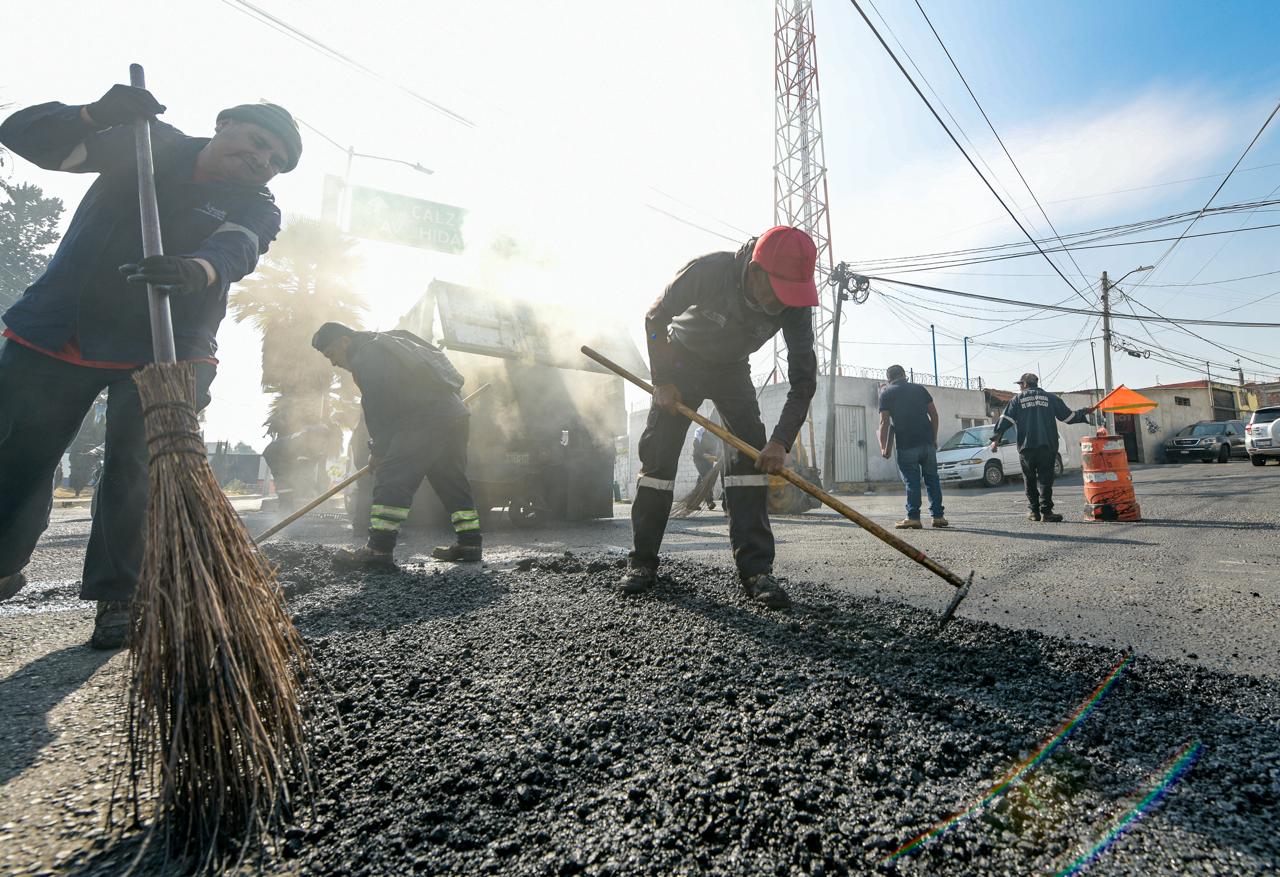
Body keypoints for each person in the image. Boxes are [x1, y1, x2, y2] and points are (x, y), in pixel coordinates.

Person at [0, 84, 299, 648]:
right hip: (61, 329)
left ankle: (120, 595)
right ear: (222, 122)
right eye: (259, 143)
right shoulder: (143, 142)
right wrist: (93, 115)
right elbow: (23, 137)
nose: (264, 162)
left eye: (276, 163)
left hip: (168, 347)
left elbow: (238, 248)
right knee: (18, 456)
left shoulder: (257, 206)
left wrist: (196, 270)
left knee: (138, 471)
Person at [622, 226, 819, 609]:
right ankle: (643, 562)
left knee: (750, 462)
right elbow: (654, 319)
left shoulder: (795, 303)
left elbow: (803, 381)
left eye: (792, 297)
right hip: (680, 360)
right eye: (778, 293)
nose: (783, 305)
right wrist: (662, 379)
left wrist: (780, 441)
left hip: (732, 370)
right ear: (757, 272)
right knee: (658, 460)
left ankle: (756, 571)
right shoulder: (709, 271)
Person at [311, 322, 482, 568]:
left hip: (424, 418)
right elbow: (439, 363)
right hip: (453, 414)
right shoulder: (392, 340)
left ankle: (378, 550)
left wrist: (379, 451)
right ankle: (470, 543)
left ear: (344, 341)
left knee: (391, 478)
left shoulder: (365, 355)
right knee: (451, 481)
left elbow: (379, 406)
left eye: (331, 354)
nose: (333, 363)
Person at [990, 372, 1090, 522]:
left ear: (1024, 384)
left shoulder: (1017, 400)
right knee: (1045, 479)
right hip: (1047, 445)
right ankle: (1047, 513)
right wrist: (1084, 412)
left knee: (1029, 479)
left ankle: (1033, 512)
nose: (1020, 387)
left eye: (1020, 385)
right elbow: (1068, 417)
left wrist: (995, 440)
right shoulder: (1051, 398)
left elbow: (1005, 421)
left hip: (1027, 447)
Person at [877, 365, 948, 529]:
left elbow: (884, 422)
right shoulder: (919, 389)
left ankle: (914, 517)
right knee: (932, 479)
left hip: (906, 445)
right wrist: (934, 438)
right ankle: (938, 517)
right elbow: (934, 415)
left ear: (889, 378)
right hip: (927, 443)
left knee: (912, 481)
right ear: (904, 375)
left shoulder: (886, 393)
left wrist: (883, 447)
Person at [690, 425, 719, 510]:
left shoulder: (715, 434)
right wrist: (703, 454)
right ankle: (709, 501)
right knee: (707, 478)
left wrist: (716, 457)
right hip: (699, 459)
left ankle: (692, 503)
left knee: (701, 481)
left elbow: (716, 448)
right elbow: (696, 443)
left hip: (709, 460)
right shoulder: (700, 431)